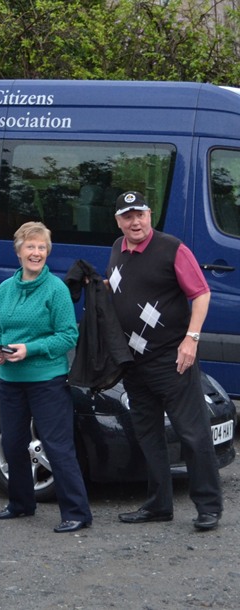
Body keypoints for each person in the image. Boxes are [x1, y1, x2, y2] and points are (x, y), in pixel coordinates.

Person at [107, 191, 223, 530]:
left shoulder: (171, 248)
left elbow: (201, 293)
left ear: (150, 214)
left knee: (193, 434)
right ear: (118, 222)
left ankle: (208, 507)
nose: (135, 222)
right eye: (127, 216)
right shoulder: (117, 248)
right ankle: (159, 504)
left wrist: (192, 338)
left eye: (140, 214)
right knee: (149, 436)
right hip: (133, 361)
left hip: (172, 359)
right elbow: (121, 290)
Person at [0, 221, 93, 533]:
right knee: (15, 443)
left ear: (48, 251)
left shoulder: (56, 290)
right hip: (9, 379)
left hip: (47, 380)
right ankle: (21, 504)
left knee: (57, 445)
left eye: (41, 247)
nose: (36, 252)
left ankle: (77, 513)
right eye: (30, 246)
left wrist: (29, 349)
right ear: (18, 251)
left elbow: (67, 336)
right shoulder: (5, 289)